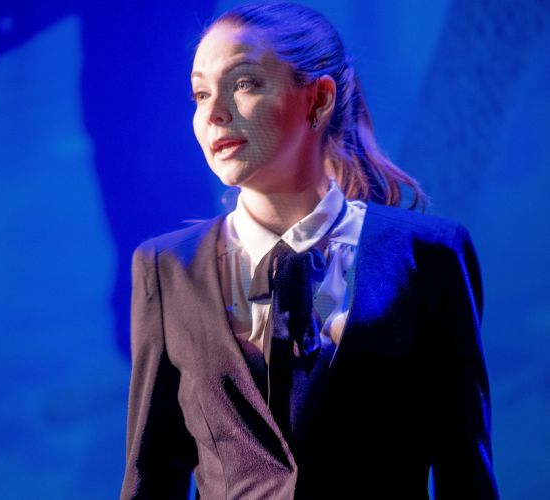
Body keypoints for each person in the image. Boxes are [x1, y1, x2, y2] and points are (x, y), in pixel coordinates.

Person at [120, 3, 498, 498]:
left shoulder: (429, 254)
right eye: (201, 93)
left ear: (318, 99)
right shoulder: (166, 269)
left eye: (244, 83)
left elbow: (465, 471)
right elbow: (150, 478)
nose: (213, 114)